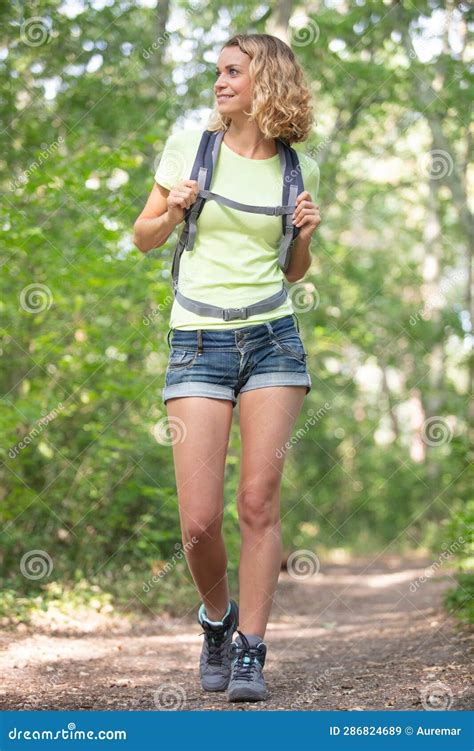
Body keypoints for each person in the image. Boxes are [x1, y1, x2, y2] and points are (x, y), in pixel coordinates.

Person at [133, 32, 321, 703]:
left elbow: (293, 272)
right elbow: (143, 234)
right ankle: (218, 619)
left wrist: (303, 235)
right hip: (199, 340)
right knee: (199, 521)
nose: (219, 82)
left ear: (265, 82)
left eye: (233, 72)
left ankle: (252, 650)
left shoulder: (298, 168)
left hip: (273, 339)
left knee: (258, 501)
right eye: (217, 72)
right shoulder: (193, 145)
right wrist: (176, 205)